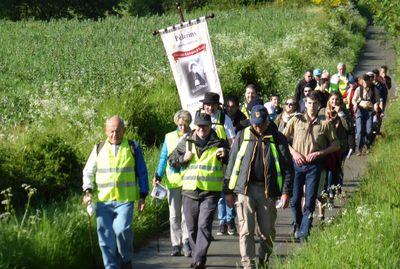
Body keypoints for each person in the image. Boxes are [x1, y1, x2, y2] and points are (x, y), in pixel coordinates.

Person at [224, 105, 293, 269]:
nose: (257, 127)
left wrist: (286, 192)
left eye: (260, 123)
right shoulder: (242, 135)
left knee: (267, 231)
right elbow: (232, 163)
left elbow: (288, 168)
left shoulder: (278, 138)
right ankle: (248, 264)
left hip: (267, 192)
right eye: (254, 123)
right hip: (245, 190)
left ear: (267, 121)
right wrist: (227, 191)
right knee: (246, 230)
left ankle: (263, 260)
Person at [82, 116, 149, 269]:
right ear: (106, 131)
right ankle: (110, 266)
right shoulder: (98, 148)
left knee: (122, 230)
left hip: (125, 201)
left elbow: (142, 172)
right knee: (105, 237)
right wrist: (87, 191)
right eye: (111, 131)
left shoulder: (133, 147)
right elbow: (88, 171)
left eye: (118, 131)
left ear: (124, 131)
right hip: (103, 201)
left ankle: (126, 259)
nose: (114, 134)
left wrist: (142, 196)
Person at [168, 112, 230, 269]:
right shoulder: (187, 141)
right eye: (199, 126)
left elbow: (232, 160)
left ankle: (199, 259)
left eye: (205, 126)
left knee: (204, 225)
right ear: (195, 126)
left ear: (210, 126)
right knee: (192, 227)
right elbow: (171, 159)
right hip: (189, 191)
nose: (201, 129)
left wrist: (226, 154)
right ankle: (197, 256)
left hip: (210, 192)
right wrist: (183, 159)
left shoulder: (219, 142)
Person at [284, 91, 339, 242]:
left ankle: (304, 234)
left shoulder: (325, 123)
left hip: (314, 166)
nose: (312, 106)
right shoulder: (296, 120)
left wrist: (320, 153)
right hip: (297, 164)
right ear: (305, 104)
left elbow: (336, 145)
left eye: (315, 104)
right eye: (309, 103)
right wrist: (294, 153)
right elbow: (283, 139)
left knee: (309, 201)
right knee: (295, 201)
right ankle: (299, 223)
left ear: (319, 105)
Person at [153, 110, 192, 257]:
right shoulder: (169, 137)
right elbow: (163, 157)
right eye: (180, 124)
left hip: (189, 181)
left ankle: (187, 242)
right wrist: (158, 174)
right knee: (174, 215)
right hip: (172, 182)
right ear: (176, 123)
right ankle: (176, 244)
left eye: (185, 124)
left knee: (186, 214)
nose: (182, 127)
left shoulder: (193, 135)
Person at [352, 74, 382, 155]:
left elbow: (377, 100)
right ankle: (359, 148)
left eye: (366, 82)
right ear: (362, 82)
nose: (365, 84)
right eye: (363, 82)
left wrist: (376, 105)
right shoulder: (359, 89)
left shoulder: (374, 89)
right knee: (359, 130)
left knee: (369, 130)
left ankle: (367, 145)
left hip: (369, 111)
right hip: (360, 110)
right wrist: (355, 104)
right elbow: (353, 100)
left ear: (369, 81)